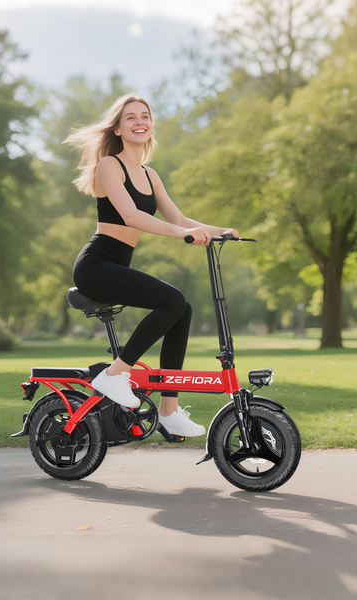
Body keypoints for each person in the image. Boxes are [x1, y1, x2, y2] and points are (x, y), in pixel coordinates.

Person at [65, 94, 238, 438]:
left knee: (182, 310)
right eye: (130, 117)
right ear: (118, 128)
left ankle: (169, 410)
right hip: (96, 265)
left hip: (116, 264)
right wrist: (181, 234)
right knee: (172, 300)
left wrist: (220, 231)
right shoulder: (109, 165)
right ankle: (115, 375)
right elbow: (131, 216)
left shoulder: (150, 175)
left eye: (145, 116)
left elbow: (179, 218)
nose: (140, 122)